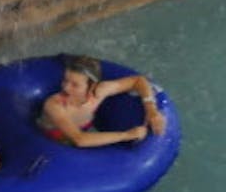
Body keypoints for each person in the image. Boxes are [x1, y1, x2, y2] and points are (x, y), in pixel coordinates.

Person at [38, 54, 166, 146]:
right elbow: (80, 139)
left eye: (75, 85)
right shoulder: (55, 104)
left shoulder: (99, 93)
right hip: (50, 145)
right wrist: (127, 135)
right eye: (65, 80)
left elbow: (138, 81)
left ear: (92, 86)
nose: (65, 87)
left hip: (83, 138)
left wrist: (151, 110)